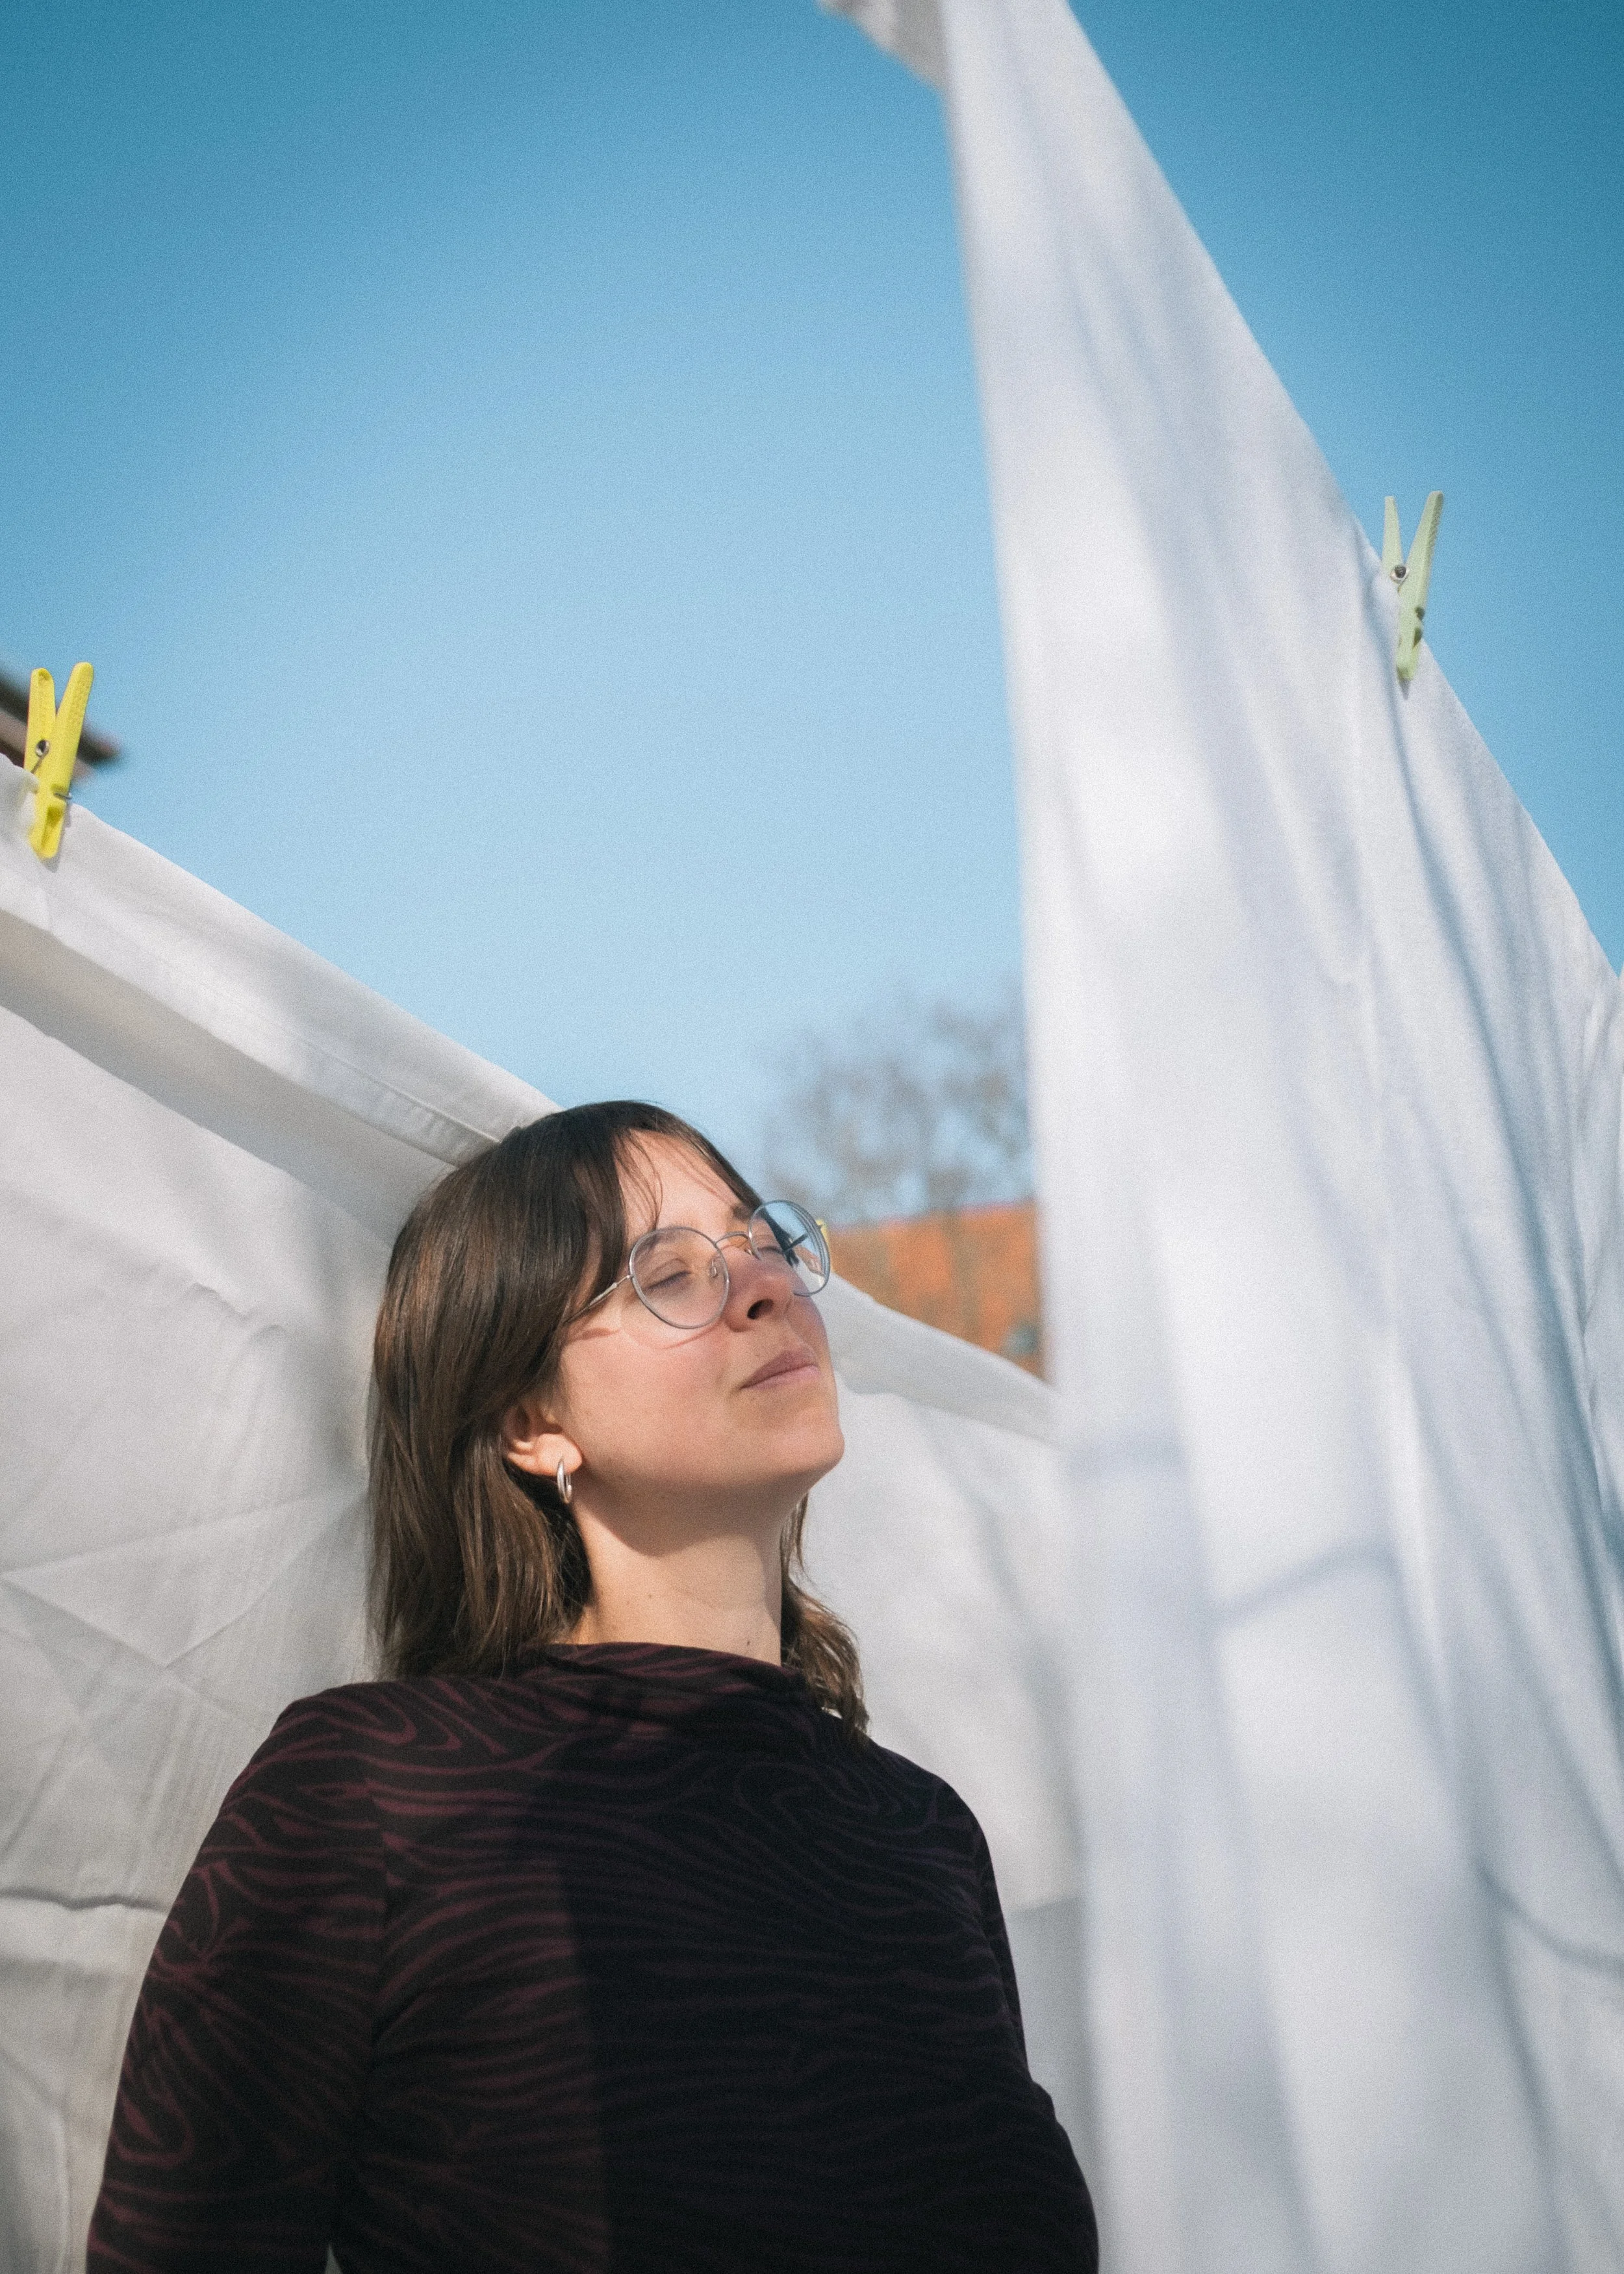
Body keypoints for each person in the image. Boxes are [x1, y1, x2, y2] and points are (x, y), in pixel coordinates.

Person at [88, 1101, 1097, 2272]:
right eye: (669, 1275)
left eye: (762, 1241)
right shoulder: (371, 1792)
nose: (765, 1287)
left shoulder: (924, 1831)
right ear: (530, 1421)